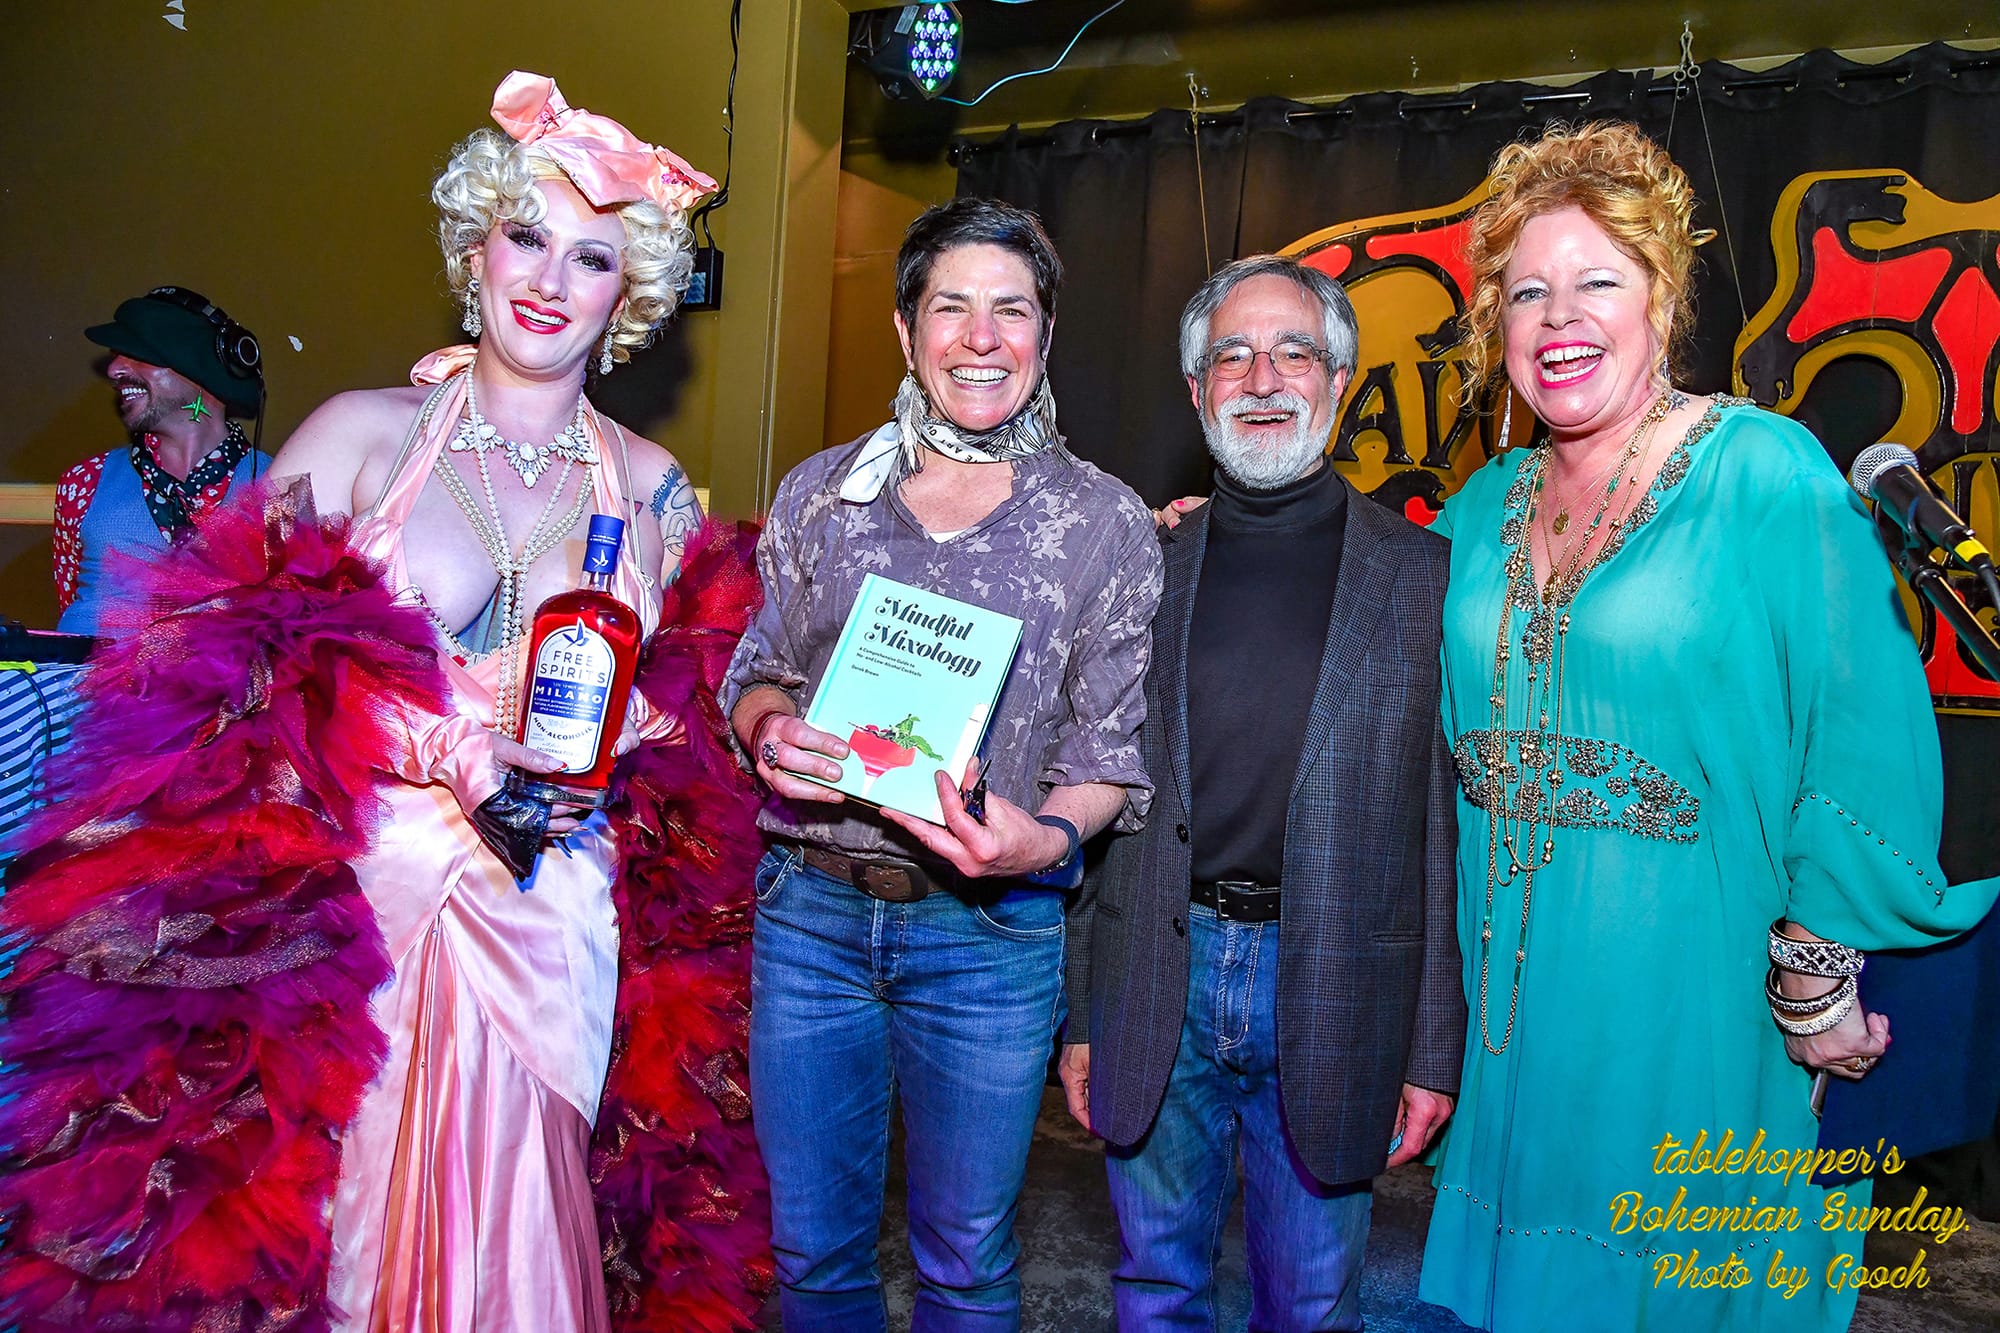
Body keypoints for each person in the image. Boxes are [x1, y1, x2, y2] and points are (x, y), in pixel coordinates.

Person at [0, 71, 769, 1333]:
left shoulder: (652, 486)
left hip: (554, 920)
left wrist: (674, 729)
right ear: (475, 248)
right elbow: (222, 672)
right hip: (359, 920)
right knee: (341, 1234)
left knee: (529, 1229)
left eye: (589, 257)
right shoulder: (359, 435)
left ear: (625, 294)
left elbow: (692, 722)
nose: (547, 280)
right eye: (525, 236)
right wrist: (450, 744)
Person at [1416, 121, 2000, 1332]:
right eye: (1525, 291)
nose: (1556, 317)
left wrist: (1813, 973)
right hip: (1517, 1013)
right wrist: (1223, 533)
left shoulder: (1761, 474)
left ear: (1660, 297)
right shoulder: (1478, 508)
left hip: (1698, 996)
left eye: (1594, 281)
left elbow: (1861, 729)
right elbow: (1365, 639)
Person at [724, 196, 1163, 1329]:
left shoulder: (1104, 522)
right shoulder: (823, 494)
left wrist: (1044, 837)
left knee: (967, 1258)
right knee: (810, 1250)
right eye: (950, 306)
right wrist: (769, 731)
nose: (980, 337)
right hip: (810, 915)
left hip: (989, 937)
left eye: (1009, 310)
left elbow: (1108, 751)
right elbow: (759, 668)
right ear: (904, 328)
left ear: (1046, 333)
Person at [1060, 255, 1462, 1332]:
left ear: (1340, 381)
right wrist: (1082, 1014)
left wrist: (1431, 1049)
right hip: (1160, 969)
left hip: (1333, 978)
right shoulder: (1141, 563)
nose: (1263, 377)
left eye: (1295, 352)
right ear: (1197, 391)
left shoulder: (1423, 576)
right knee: (1154, 1288)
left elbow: (1439, 830)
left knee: (1313, 1303)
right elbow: (1097, 793)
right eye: (1231, 355)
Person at [55, 285, 268, 637]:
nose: (114, 369)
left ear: (199, 367)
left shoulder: (279, 483)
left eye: (137, 353)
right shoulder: (85, 482)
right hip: (82, 672)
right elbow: (66, 602)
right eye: (116, 354)